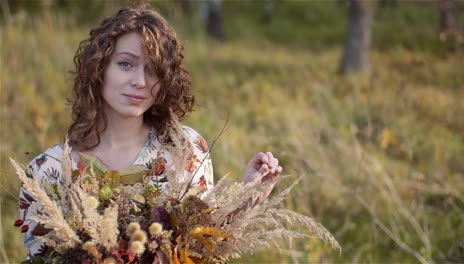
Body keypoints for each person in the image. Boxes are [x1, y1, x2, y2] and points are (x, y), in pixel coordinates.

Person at [18, 5, 282, 259]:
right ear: (99, 67)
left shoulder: (186, 149)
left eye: (154, 70)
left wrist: (247, 197)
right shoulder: (47, 171)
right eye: (126, 64)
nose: (140, 82)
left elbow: (205, 247)